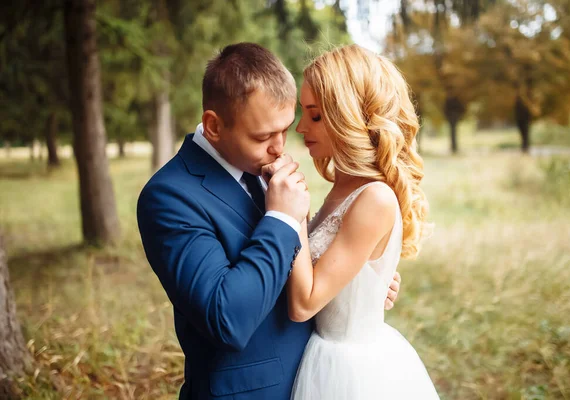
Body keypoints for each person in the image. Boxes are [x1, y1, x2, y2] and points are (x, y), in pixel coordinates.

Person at [136, 42, 400, 400]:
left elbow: (300, 263)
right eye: (263, 136)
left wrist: (357, 282)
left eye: (285, 130)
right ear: (214, 126)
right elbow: (226, 319)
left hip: (322, 378)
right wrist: (280, 218)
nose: (280, 148)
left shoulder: (263, 166)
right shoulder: (169, 196)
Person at [285, 44, 439, 399]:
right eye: (302, 113)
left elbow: (304, 302)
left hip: (347, 369)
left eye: (315, 115)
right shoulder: (342, 186)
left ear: (348, 115)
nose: (299, 127)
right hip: (319, 351)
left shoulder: (375, 198)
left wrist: (291, 217)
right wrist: (367, 286)